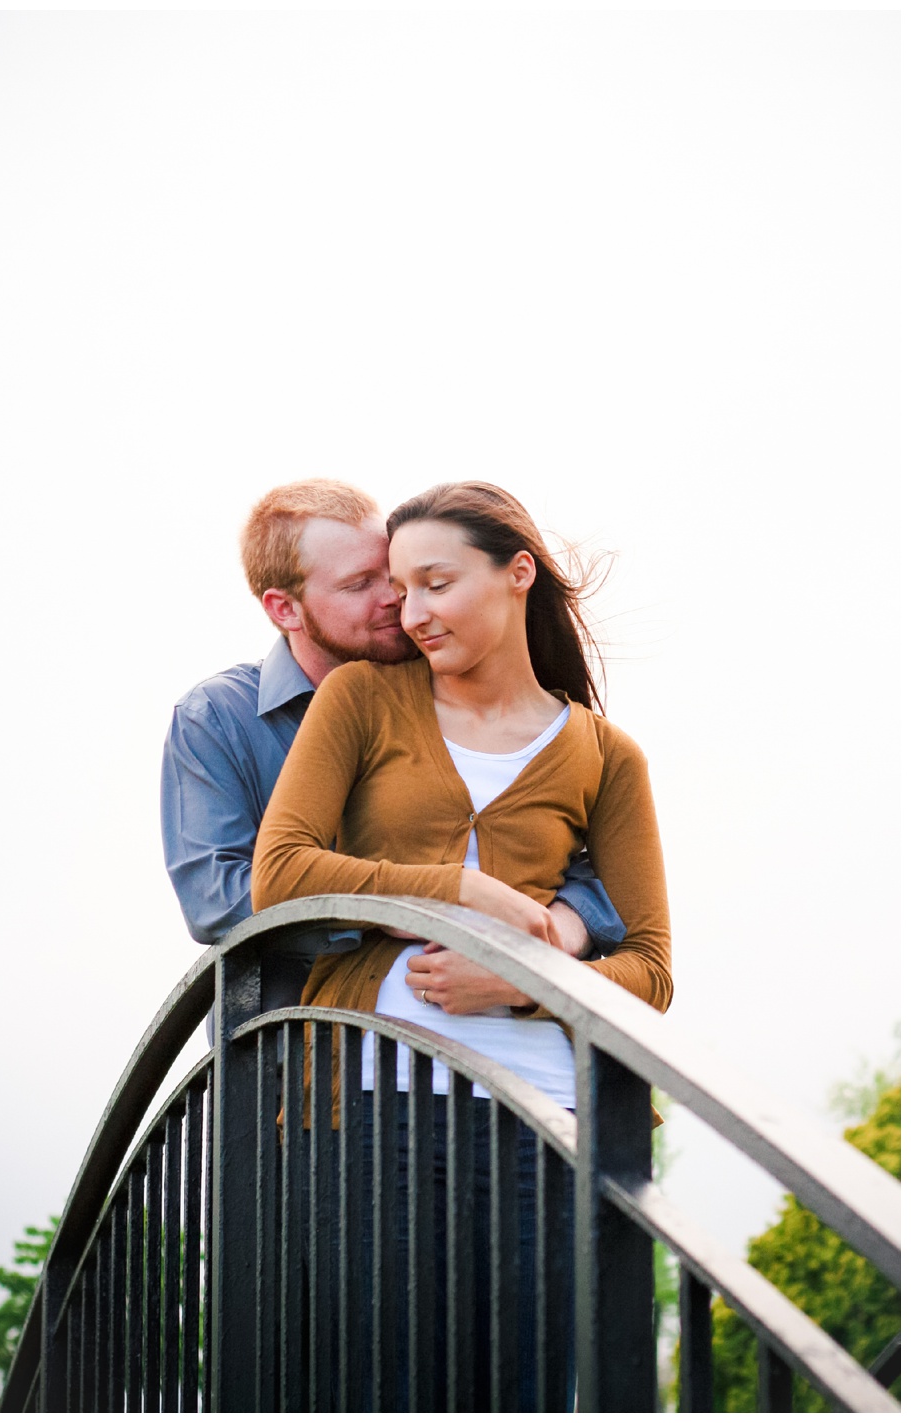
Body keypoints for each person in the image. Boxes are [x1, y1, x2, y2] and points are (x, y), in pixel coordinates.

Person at [250, 481, 673, 1409]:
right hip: (373, 1096)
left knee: (523, 1388)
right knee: (385, 1385)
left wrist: (523, 981)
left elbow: (649, 969)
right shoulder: (362, 697)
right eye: (399, 589)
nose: (412, 611)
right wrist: (456, 890)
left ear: (516, 573)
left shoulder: (607, 754)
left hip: (549, 1115)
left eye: (435, 583)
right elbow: (279, 874)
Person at [160, 479, 625, 960]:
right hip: (299, 1026)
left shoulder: (459, 685)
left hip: (475, 1008)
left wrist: (563, 928)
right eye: (359, 584)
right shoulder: (215, 717)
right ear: (285, 609)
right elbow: (215, 899)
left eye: (395, 577)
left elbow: (576, 859)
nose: (397, 601)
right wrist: (417, 905)